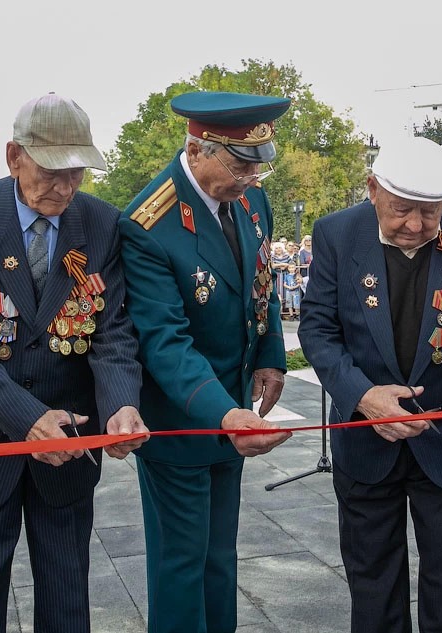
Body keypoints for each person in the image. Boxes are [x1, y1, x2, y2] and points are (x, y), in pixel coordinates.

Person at [0, 93, 149, 632]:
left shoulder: (100, 224)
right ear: (13, 156)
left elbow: (111, 333)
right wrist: (28, 418)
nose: (65, 187)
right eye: (52, 172)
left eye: (77, 173)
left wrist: (121, 405)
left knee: (67, 597)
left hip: (69, 443)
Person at [299, 136, 442, 633]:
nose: (417, 226)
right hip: (365, 435)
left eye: (431, 212)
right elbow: (317, 327)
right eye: (403, 211)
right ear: (373, 189)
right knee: (372, 580)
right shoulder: (337, 233)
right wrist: (361, 395)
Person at [119, 90, 293, 633]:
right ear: (197, 149)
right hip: (183, 415)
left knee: (221, 557)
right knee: (181, 561)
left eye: (257, 166)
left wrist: (270, 355)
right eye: (240, 165)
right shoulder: (149, 223)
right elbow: (164, 341)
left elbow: (258, 284)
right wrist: (224, 414)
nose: (251, 179)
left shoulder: (248, 200)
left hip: (234, 407)